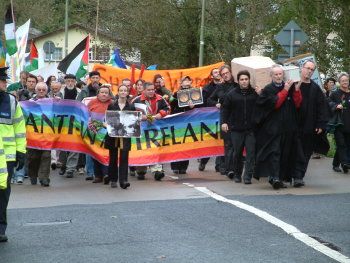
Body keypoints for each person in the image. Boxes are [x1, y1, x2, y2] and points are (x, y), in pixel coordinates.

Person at [254, 65, 302, 189]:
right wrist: (285, 90)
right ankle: (274, 177)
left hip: (288, 127)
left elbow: (297, 104)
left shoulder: (290, 87)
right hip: (273, 128)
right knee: (275, 152)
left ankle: (280, 178)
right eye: (275, 74)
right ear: (271, 76)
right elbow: (275, 104)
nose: (278, 76)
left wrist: (296, 90)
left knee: (285, 153)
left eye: (280, 74)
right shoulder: (268, 89)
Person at [292, 60, 329, 187]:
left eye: (312, 69)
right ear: (302, 68)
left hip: (309, 126)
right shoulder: (294, 84)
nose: (309, 71)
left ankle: (299, 176)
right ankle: (292, 174)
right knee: (295, 151)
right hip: (293, 125)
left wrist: (320, 124)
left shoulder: (315, 88)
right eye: (307, 68)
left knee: (306, 152)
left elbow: (321, 108)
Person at [0, 67, 26, 242]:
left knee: (3, 193)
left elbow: (19, 127)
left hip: (7, 157)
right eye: (3, 80)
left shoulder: (11, 101)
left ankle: (1, 229)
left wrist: (21, 151)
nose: (5, 83)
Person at [221, 70, 258, 184]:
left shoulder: (254, 93)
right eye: (242, 79)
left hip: (251, 129)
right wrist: (224, 122)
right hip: (236, 129)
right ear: (238, 80)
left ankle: (248, 176)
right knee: (237, 153)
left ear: (249, 80)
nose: (244, 82)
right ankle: (237, 174)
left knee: (251, 153)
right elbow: (225, 109)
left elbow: (261, 107)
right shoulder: (231, 94)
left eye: (246, 79)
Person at [132, 82, 170, 180]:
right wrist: (141, 117)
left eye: (153, 89)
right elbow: (129, 113)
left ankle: (157, 171)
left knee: (155, 148)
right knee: (143, 149)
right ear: (144, 90)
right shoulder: (136, 100)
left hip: (155, 129)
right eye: (149, 90)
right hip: (141, 130)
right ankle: (141, 170)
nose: (151, 91)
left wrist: (160, 114)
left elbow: (168, 108)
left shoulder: (160, 99)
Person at [208, 65, 239, 176]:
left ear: (231, 72)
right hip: (225, 118)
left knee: (236, 145)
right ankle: (228, 168)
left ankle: (233, 167)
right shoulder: (220, 87)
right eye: (223, 74)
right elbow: (210, 99)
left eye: (227, 73)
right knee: (228, 144)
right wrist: (216, 103)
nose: (225, 75)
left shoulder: (237, 85)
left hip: (237, 118)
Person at [105, 85, 135, 188]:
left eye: (125, 90)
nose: (123, 92)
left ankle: (124, 180)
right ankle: (113, 179)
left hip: (125, 136)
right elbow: (108, 119)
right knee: (113, 157)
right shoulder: (112, 105)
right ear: (118, 92)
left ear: (127, 93)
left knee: (124, 157)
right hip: (113, 136)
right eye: (121, 90)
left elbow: (133, 121)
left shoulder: (131, 106)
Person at [170, 76, 197, 174]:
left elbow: (200, 107)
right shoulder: (176, 94)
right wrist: (175, 99)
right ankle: (175, 166)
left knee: (187, 145)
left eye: (188, 81)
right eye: (184, 81)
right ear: (180, 84)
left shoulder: (195, 93)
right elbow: (171, 105)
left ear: (190, 82)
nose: (186, 82)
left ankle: (184, 166)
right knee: (176, 144)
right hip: (177, 122)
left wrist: (193, 106)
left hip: (189, 123)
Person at [87, 85, 113, 183]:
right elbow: (87, 115)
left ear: (109, 94)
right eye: (102, 92)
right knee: (95, 154)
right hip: (93, 132)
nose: (104, 94)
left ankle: (106, 174)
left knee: (106, 153)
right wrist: (90, 123)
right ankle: (97, 176)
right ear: (98, 93)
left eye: (106, 93)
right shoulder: (92, 103)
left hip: (107, 133)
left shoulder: (112, 104)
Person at [27, 83, 51, 186]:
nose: (41, 91)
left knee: (46, 156)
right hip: (33, 135)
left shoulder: (52, 102)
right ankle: (33, 175)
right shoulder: (29, 103)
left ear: (46, 91)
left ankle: (44, 178)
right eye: (39, 89)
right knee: (33, 157)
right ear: (35, 91)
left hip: (47, 135)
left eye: (43, 90)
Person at [199, 67, 223, 171]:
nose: (218, 74)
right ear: (212, 76)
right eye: (215, 72)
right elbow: (205, 103)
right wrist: (214, 104)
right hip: (210, 118)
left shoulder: (226, 86)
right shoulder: (207, 88)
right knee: (211, 140)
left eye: (219, 72)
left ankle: (219, 165)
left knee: (221, 140)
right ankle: (204, 161)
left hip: (223, 117)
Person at [58, 74, 81, 178]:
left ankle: (70, 168)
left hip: (76, 122)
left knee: (74, 144)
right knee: (63, 145)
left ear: (75, 82)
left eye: (72, 81)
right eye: (68, 81)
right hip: (63, 122)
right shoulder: (60, 93)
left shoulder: (80, 93)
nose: (70, 83)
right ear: (65, 82)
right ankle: (63, 164)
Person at [329, 72, 350, 173]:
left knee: (346, 144)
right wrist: (335, 106)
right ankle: (345, 163)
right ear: (339, 82)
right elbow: (328, 103)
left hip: (349, 124)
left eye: (346, 80)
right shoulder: (335, 94)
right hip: (339, 124)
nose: (345, 82)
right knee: (341, 144)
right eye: (343, 81)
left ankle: (335, 163)